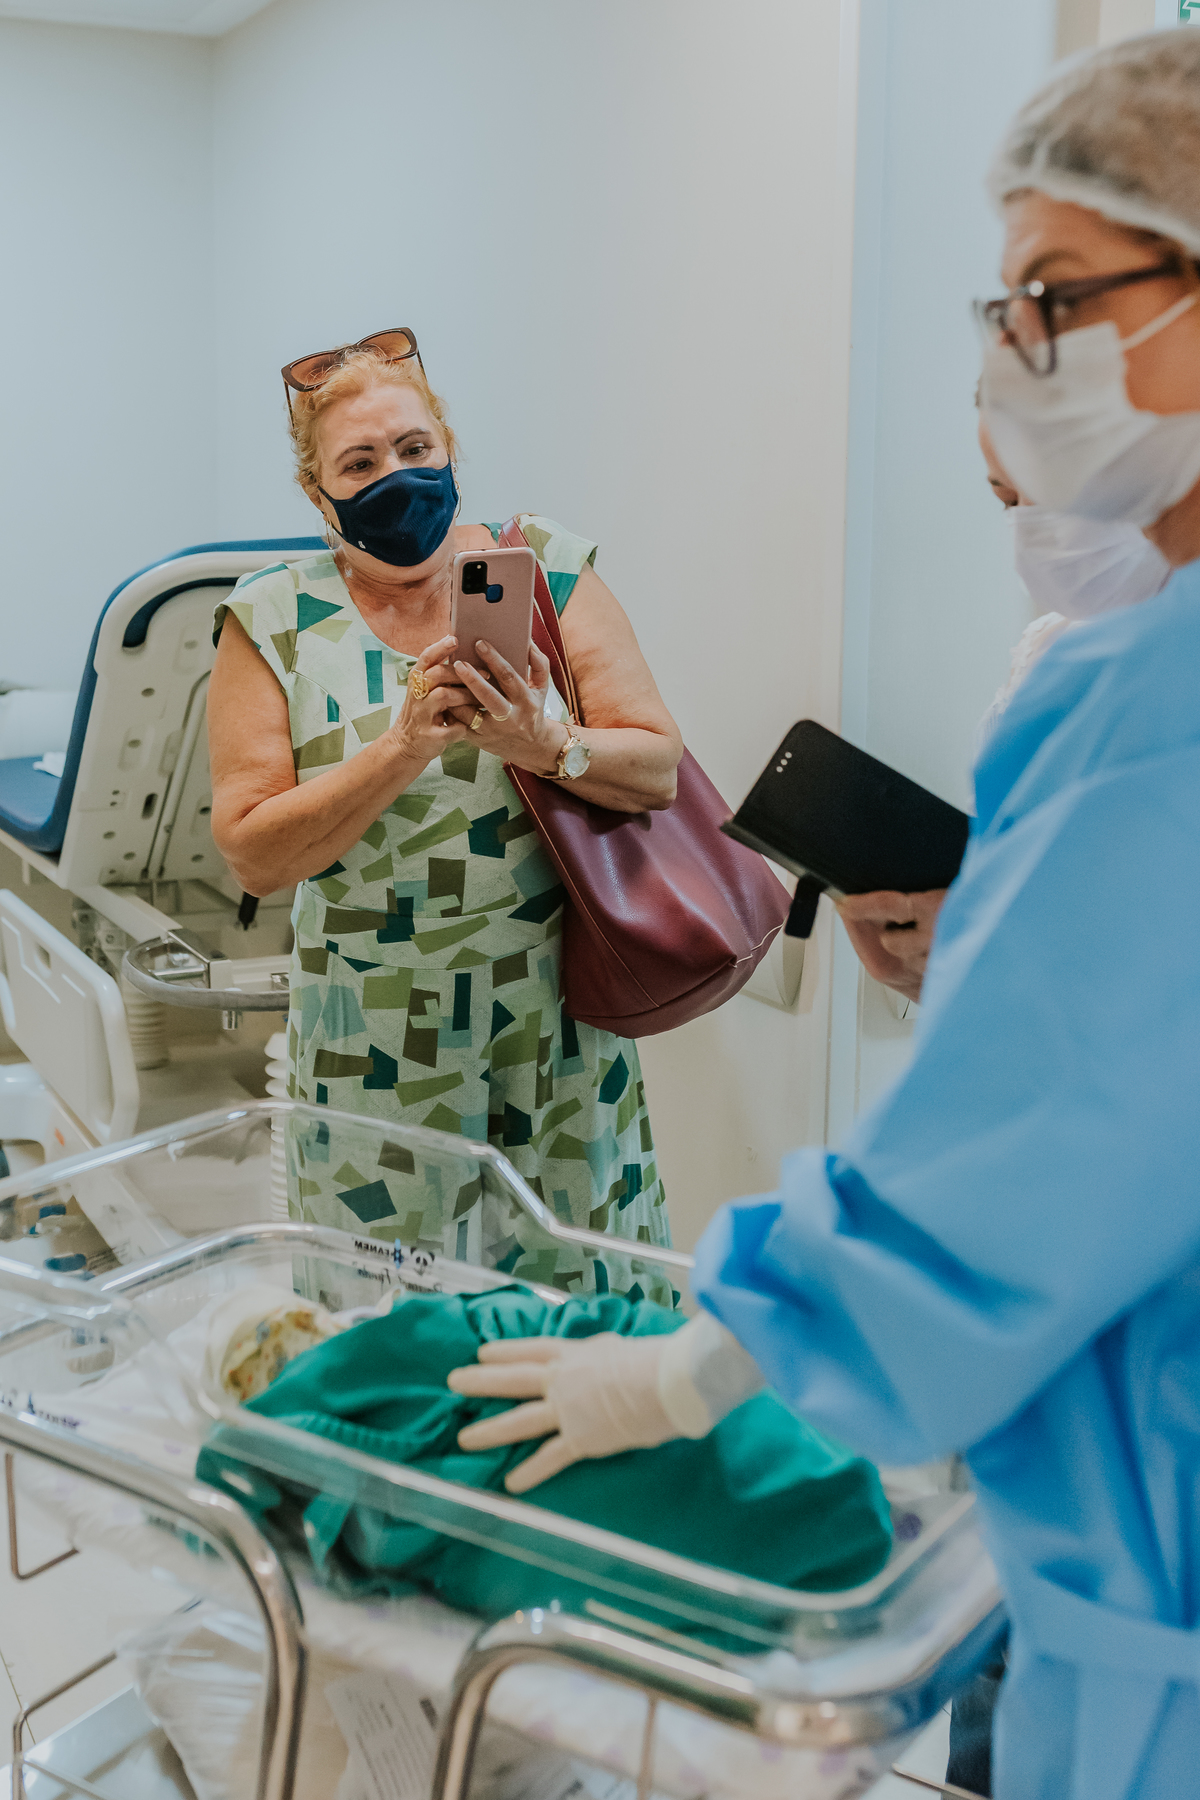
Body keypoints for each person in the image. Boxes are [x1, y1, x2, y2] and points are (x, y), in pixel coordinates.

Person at [447, 33, 1200, 1799]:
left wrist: (695, 1371)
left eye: (1055, 297)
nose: (1016, 360)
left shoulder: (1153, 711)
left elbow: (1009, 1166)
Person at [208, 331, 683, 1295]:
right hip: (373, 1039)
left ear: (450, 447)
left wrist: (543, 744)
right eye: (361, 462)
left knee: (579, 1301)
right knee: (388, 1320)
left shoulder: (542, 568)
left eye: (416, 449)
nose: (398, 476)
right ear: (319, 493)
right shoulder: (272, 619)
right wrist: (403, 747)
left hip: (554, 1022)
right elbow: (253, 854)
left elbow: (658, 768)